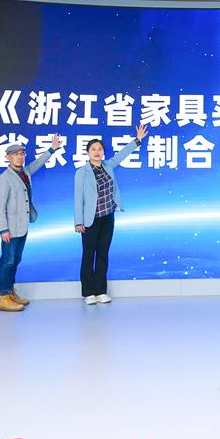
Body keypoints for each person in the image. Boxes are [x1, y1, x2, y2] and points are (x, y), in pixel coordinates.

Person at [74, 124, 148, 305]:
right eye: (93, 149)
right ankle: (88, 293)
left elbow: (121, 155)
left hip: (107, 217)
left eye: (99, 149)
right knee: (88, 255)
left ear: (103, 152)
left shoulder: (108, 166)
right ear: (88, 152)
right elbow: (78, 198)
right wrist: (78, 221)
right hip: (90, 220)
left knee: (103, 254)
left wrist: (137, 140)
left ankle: (101, 291)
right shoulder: (81, 172)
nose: (97, 152)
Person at [0, 136, 62, 312]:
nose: (20, 157)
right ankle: (3, 297)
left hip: (22, 226)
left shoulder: (25, 172)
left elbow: (38, 162)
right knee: (7, 261)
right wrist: (3, 229)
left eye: (22, 154)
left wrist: (52, 148)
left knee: (15, 260)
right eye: (16, 154)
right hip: (10, 228)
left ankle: (10, 292)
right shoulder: (4, 178)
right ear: (8, 157)